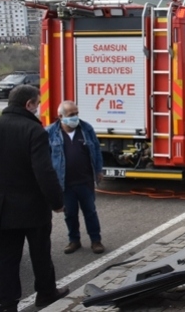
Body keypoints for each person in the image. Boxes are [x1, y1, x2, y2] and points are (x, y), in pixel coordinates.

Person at [0, 85, 69, 312]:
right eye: (37, 104)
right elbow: (44, 171)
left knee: (7, 259)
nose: (38, 108)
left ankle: (7, 305)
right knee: (40, 254)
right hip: (34, 209)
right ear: (28, 104)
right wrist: (57, 202)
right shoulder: (34, 131)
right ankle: (46, 293)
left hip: (2, 208)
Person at [46, 100, 105, 255]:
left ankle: (96, 240)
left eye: (77, 113)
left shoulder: (86, 129)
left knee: (90, 212)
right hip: (65, 183)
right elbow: (45, 157)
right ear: (60, 116)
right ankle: (74, 240)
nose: (75, 117)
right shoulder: (50, 133)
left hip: (85, 181)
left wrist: (98, 170)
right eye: (72, 115)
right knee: (70, 214)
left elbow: (97, 150)